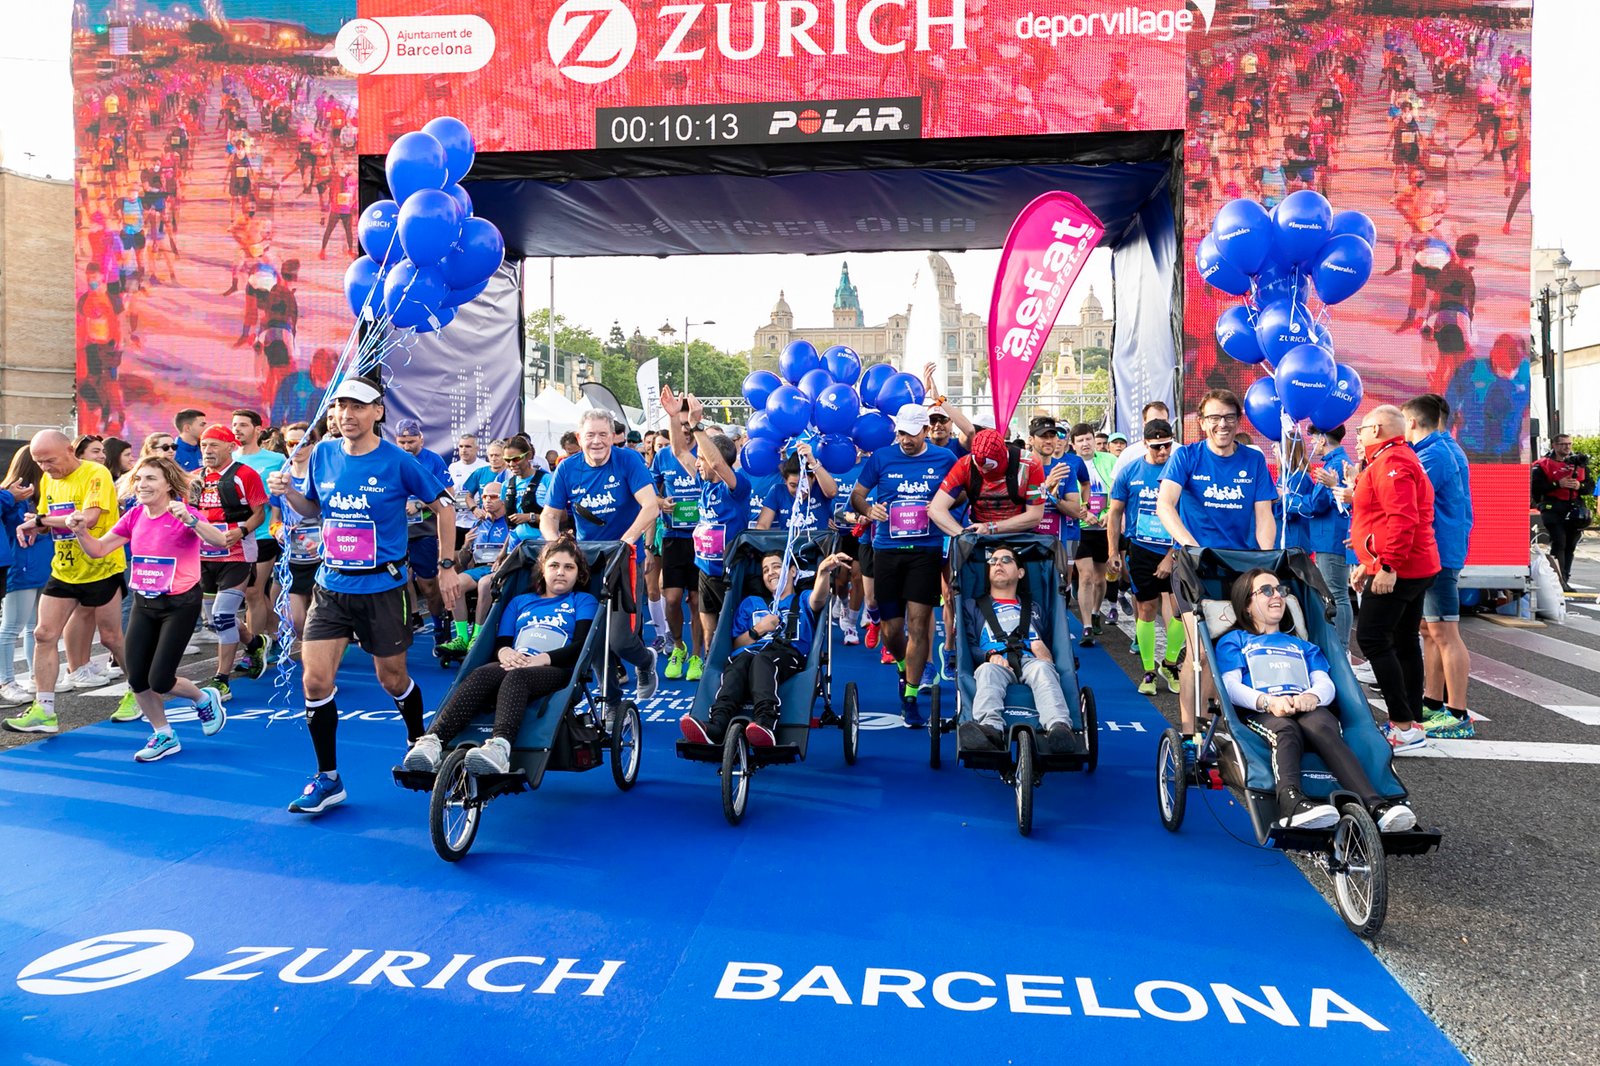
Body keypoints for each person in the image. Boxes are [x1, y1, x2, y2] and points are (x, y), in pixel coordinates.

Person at [265, 374, 458, 814]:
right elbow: (315, 509)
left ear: (377, 412)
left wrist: (446, 566)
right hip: (331, 584)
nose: (345, 415)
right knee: (314, 680)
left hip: (383, 588)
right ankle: (328, 778)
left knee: (391, 678)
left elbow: (444, 507)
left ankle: (417, 739)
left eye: (357, 407)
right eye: (339, 407)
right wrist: (291, 492)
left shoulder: (397, 460)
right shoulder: (323, 455)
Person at [1217, 569, 1417, 833]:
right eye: (1266, 591)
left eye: (1280, 590)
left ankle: (1375, 804)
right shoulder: (1235, 640)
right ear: (1246, 604)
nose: (1277, 595)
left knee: (1323, 726)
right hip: (1262, 710)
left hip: (1306, 705)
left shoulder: (1302, 645)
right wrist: (1267, 702)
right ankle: (1291, 803)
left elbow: (1325, 682)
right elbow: (1230, 686)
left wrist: (1313, 696)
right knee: (1285, 729)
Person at [66, 456, 231, 761]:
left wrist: (192, 521)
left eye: (151, 479)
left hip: (180, 603)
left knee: (160, 679)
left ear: (168, 483)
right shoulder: (134, 516)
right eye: (139, 479)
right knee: (138, 678)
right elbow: (99, 550)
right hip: (145, 601)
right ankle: (163, 734)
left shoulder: (185, 514)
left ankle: (203, 697)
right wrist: (81, 532)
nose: (142, 485)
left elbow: (220, 542)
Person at [403, 536, 599, 776]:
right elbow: (503, 642)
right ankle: (432, 742)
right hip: (515, 660)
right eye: (554, 566)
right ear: (542, 570)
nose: (561, 572)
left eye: (569, 567)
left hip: (555, 668)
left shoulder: (583, 600)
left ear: (578, 574)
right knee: (481, 673)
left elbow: (580, 645)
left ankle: (499, 749)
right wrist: (505, 653)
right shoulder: (520, 602)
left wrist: (541, 659)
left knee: (517, 678)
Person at [1155, 389, 1277, 740]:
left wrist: (1264, 558)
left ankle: (1209, 723)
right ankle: (1190, 732)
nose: (1221, 424)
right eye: (1213, 418)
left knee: (1224, 648)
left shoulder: (1253, 461)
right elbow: (1166, 505)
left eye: (1228, 418)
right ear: (1202, 422)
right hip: (1195, 566)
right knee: (1200, 652)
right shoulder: (1187, 457)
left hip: (1238, 566)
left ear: (1238, 421)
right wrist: (1191, 547)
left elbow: (1264, 515)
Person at [3, 431, 131, 734]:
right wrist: (39, 528)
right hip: (64, 568)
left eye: (50, 460)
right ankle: (44, 710)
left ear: (70, 450)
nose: (45, 467)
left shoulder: (95, 473)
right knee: (44, 633)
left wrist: (40, 521)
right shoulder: (48, 480)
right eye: (39, 462)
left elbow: (87, 518)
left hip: (101, 565)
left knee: (112, 638)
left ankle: (139, 691)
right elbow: (52, 518)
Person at [540, 408, 660, 709]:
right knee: (589, 635)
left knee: (619, 639)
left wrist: (626, 540)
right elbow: (549, 516)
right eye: (590, 435)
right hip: (586, 559)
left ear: (613, 437)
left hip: (624, 556)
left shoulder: (628, 460)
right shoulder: (567, 469)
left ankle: (645, 661)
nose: (596, 441)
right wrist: (555, 546)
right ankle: (611, 701)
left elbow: (650, 507)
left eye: (603, 435)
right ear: (580, 438)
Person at [848, 403, 958, 725]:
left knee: (920, 624)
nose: (906, 440)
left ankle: (910, 697)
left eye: (911, 433)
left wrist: (941, 504)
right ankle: (902, 666)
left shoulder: (944, 459)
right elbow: (857, 495)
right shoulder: (882, 457)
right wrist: (869, 510)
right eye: (901, 433)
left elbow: (961, 495)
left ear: (925, 431)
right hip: (887, 551)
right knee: (892, 630)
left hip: (926, 551)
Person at [1342, 405, 1440, 754]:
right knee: (1402, 640)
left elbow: (1402, 519)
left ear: (1379, 429)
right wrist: (1369, 563)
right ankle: (1410, 721)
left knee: (1372, 638)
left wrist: (1386, 566)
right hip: (1409, 565)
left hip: (1403, 567)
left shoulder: (1392, 461)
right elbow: (1383, 519)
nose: (1357, 436)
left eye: (1362, 429)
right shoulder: (1390, 458)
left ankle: (1402, 724)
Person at [679, 549, 851, 747]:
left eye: (777, 566)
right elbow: (736, 644)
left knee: (763, 660)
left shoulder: (802, 599)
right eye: (765, 570)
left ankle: (766, 723)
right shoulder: (750, 603)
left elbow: (818, 599)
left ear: (793, 571)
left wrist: (822, 572)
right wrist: (758, 629)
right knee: (739, 662)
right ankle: (717, 725)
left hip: (787, 654)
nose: (771, 573)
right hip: (751, 653)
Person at [956, 545, 1077, 754]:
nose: (998, 565)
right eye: (993, 561)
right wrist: (989, 656)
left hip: (1031, 660)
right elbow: (968, 646)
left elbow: (1049, 642)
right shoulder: (972, 606)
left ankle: (1059, 728)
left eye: (1006, 560)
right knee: (987, 672)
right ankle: (990, 729)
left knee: (1044, 670)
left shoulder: (1035, 608)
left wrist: (1044, 652)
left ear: (1020, 572)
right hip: (994, 661)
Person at [1403, 395, 1476, 739]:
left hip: (1441, 554)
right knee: (1428, 630)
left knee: (1445, 634)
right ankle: (1432, 703)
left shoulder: (1436, 454)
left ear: (1413, 423)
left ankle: (1458, 713)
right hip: (1432, 552)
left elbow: (1404, 494)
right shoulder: (1438, 450)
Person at [1106, 419, 1184, 695]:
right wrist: (1113, 552)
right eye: (1157, 447)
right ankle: (1149, 672)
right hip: (1141, 549)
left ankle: (1171, 664)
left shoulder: (1180, 469)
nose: (1163, 452)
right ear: (1144, 444)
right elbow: (1115, 513)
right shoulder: (1130, 471)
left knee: (1180, 611)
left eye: (1167, 445)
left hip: (1175, 550)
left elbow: (1188, 515)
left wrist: (1172, 555)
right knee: (1147, 609)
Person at [192, 424, 270, 699]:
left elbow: (260, 513)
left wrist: (243, 530)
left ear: (229, 447)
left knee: (224, 616)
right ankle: (254, 643)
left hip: (237, 554)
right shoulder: (196, 477)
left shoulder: (245, 474)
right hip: (204, 556)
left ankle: (221, 680)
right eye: (204, 445)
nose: (208, 451)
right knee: (214, 620)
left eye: (214, 445)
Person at [651, 405, 706, 681]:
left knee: (697, 600)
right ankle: (678, 646)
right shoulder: (662, 456)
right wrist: (662, 503)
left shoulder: (705, 452)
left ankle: (696, 655)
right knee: (671, 599)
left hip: (703, 539)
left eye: (688, 425)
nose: (684, 430)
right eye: (680, 424)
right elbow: (649, 491)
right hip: (674, 538)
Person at [231, 409, 287, 662]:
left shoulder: (275, 459)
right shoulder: (229, 459)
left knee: (253, 590)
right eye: (234, 425)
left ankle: (253, 649)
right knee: (254, 593)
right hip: (234, 534)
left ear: (258, 429)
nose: (237, 429)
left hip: (263, 532)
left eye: (243, 425)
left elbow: (283, 495)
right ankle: (274, 636)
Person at [395, 420, 454, 649]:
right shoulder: (393, 458)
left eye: (411, 441)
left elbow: (449, 493)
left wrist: (420, 504)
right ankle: (402, 625)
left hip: (425, 530)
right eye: (402, 442)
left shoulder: (433, 460)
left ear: (421, 438)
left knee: (428, 584)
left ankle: (439, 625)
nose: (407, 446)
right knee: (396, 582)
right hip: (396, 531)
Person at [1298, 426, 1356, 655]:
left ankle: (1341, 649)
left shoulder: (1334, 464)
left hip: (1331, 539)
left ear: (1322, 439)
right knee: (1337, 592)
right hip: (1330, 538)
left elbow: (1316, 503)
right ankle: (1339, 647)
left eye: (1313, 438)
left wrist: (1289, 500)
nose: (1312, 443)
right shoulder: (1338, 461)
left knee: (1337, 593)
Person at [437, 479, 511, 655]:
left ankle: (477, 635)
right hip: (478, 567)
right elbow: (463, 561)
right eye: (484, 496)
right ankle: (462, 637)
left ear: (503, 500)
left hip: (502, 570)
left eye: (493, 497)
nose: (487, 500)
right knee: (456, 583)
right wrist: (465, 545)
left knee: (485, 584)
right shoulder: (478, 523)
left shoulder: (510, 523)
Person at [0, 449, 48, 706]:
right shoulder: (13, 495)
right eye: (45, 461)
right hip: (20, 569)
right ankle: (6, 681)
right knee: (10, 628)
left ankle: (35, 675)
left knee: (35, 628)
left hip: (43, 568)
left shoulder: (43, 492)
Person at [1068, 422, 1117, 646]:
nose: (1085, 444)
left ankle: (1097, 612)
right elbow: (1064, 496)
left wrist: (1110, 513)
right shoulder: (1069, 464)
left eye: (1089, 439)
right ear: (1073, 444)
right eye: (1080, 440)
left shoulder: (1109, 461)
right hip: (1081, 529)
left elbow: (1118, 489)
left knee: (1100, 578)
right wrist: (1082, 512)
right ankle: (1087, 626)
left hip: (1106, 528)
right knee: (1086, 577)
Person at [1532, 434, 1592, 591]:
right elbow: (1536, 489)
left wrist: (1580, 486)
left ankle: (1564, 577)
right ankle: (1558, 581)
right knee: (1560, 542)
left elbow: (1590, 486)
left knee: (1571, 544)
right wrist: (1557, 484)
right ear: (1554, 445)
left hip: (1574, 509)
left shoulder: (1579, 463)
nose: (1567, 447)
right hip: (1553, 508)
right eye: (1563, 444)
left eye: (1569, 444)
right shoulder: (1542, 464)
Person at [447, 433, 489, 553]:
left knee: (475, 556)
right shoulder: (453, 467)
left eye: (468, 446)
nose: (464, 450)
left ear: (477, 449)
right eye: (461, 446)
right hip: (457, 521)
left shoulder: (485, 467)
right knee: (455, 557)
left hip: (478, 520)